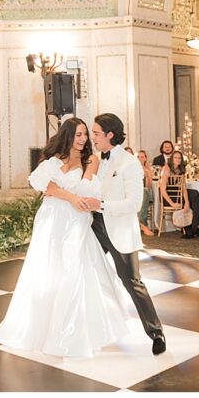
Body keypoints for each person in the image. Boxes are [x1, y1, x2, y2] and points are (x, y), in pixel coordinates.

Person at [0, 117, 133, 358]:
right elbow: (41, 184)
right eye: (78, 135)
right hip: (50, 221)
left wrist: (64, 193)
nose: (83, 140)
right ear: (68, 135)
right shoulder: (52, 161)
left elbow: (87, 190)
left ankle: (71, 334)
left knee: (75, 271)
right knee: (48, 271)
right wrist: (67, 196)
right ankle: (41, 328)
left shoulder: (92, 160)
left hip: (76, 222)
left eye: (85, 135)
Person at [83, 114, 165, 354]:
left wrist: (101, 205)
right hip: (94, 227)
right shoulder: (96, 159)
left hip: (118, 229)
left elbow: (134, 204)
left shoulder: (129, 163)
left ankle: (156, 332)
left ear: (110, 135)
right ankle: (82, 329)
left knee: (132, 282)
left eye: (96, 133)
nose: (93, 137)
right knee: (81, 273)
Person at [159, 151, 199, 239]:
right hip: (168, 197)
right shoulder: (166, 169)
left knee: (194, 194)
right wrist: (172, 204)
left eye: (179, 158)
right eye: (175, 157)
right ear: (172, 159)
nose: (177, 159)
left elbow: (183, 188)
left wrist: (187, 202)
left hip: (178, 194)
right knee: (193, 196)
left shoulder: (181, 169)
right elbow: (162, 190)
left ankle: (193, 228)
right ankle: (192, 228)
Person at [136, 150, 154, 236]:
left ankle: (142, 223)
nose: (140, 159)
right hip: (135, 193)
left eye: (142, 157)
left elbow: (149, 185)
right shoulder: (132, 168)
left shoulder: (148, 170)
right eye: (138, 157)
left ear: (145, 158)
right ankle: (143, 225)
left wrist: (147, 175)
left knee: (145, 192)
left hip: (145, 192)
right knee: (143, 193)